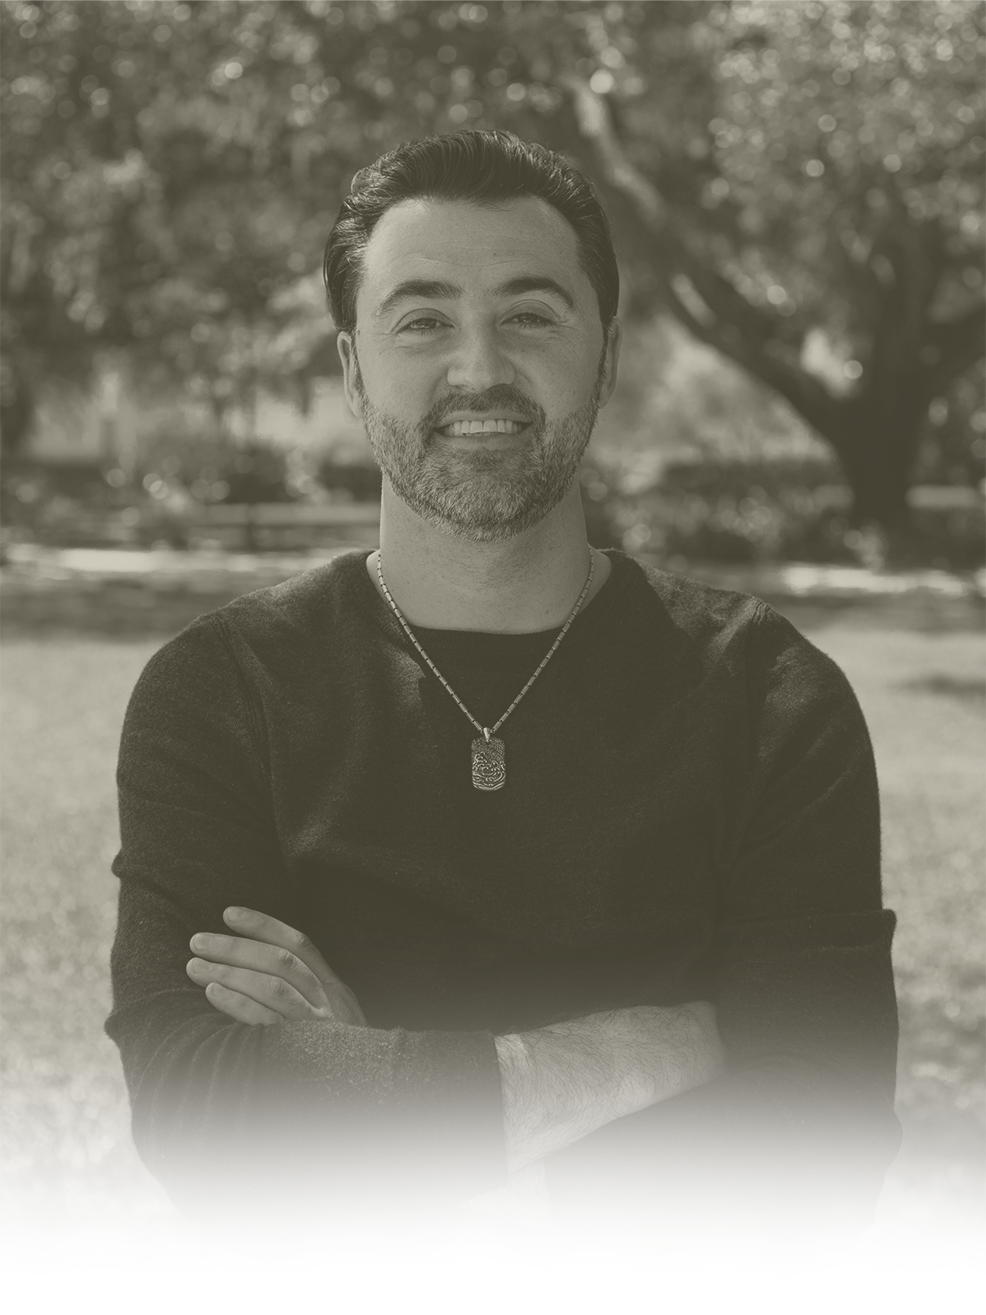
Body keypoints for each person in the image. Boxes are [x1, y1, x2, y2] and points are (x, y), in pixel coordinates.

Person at [106, 129, 901, 1275]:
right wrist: (637, 1056)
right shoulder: (223, 690)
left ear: (605, 357)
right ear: (351, 369)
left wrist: (370, 1087)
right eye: (421, 320)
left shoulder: (765, 697)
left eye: (528, 314)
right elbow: (208, 1129)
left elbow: (812, 1169)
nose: (476, 369)